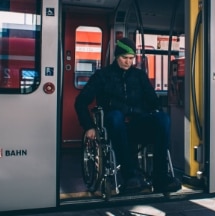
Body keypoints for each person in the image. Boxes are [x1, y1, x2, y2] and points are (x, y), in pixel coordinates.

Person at [74, 37, 181, 194]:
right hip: (114, 126)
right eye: (124, 58)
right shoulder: (102, 76)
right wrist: (89, 126)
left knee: (163, 119)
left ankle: (160, 177)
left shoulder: (139, 76)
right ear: (117, 56)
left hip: (137, 124)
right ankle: (131, 176)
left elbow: (153, 101)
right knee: (116, 116)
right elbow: (81, 102)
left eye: (131, 58)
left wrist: (155, 110)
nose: (128, 62)